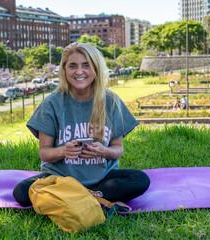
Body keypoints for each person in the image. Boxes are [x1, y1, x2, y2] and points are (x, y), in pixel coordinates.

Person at [13, 42, 150, 209]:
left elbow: (117, 149)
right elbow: (45, 153)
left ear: (96, 68)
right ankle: (98, 199)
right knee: (21, 192)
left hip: (103, 179)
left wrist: (104, 151)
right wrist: (64, 150)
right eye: (73, 66)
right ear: (64, 70)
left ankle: (77, 199)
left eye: (86, 65)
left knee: (140, 180)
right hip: (60, 180)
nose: (79, 72)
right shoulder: (52, 103)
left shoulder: (111, 102)